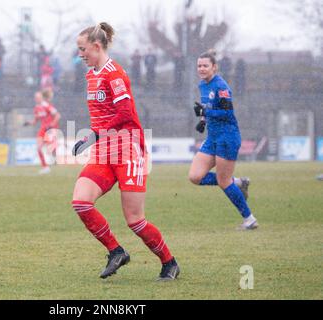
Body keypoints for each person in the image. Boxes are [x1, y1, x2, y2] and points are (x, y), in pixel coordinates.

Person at [72, 22, 179, 281]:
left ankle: (169, 263)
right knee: (81, 203)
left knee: (135, 220)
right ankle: (116, 251)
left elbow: (126, 113)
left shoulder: (115, 74)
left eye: (83, 49)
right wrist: (95, 135)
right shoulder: (91, 75)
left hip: (128, 150)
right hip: (104, 152)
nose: (80, 54)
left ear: (97, 46)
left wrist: (96, 133)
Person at [189, 50, 258, 231]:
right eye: (199, 65)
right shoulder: (202, 85)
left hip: (227, 136)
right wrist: (203, 121)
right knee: (195, 176)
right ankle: (238, 182)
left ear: (214, 67)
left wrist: (207, 113)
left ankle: (249, 219)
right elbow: (207, 108)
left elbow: (228, 113)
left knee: (223, 181)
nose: (201, 69)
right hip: (213, 137)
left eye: (205, 65)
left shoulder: (221, 86)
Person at [24, 89, 60, 174]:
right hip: (43, 129)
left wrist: (52, 124)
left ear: (42, 97)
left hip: (50, 130)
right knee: (38, 148)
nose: (37, 99)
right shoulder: (36, 108)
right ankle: (45, 167)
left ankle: (55, 158)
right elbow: (35, 121)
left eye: (38, 97)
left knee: (50, 148)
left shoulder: (47, 106)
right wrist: (28, 123)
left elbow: (58, 116)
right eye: (35, 97)